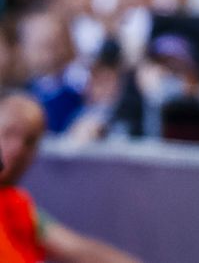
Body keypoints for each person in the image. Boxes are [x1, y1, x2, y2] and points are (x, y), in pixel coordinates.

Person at [0, 94, 141, 262]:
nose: (17, 149)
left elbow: (76, 248)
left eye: (29, 141)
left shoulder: (17, 205)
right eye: (9, 133)